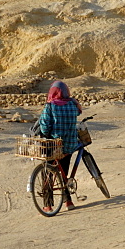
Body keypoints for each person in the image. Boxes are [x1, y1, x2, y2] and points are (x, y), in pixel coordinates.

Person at [37, 80, 83, 211]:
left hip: (54, 145)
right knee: (64, 172)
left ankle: (48, 205)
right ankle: (68, 202)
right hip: (70, 144)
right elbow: (79, 112)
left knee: (48, 174)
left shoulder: (50, 106)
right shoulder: (72, 105)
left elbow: (44, 126)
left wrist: (48, 135)